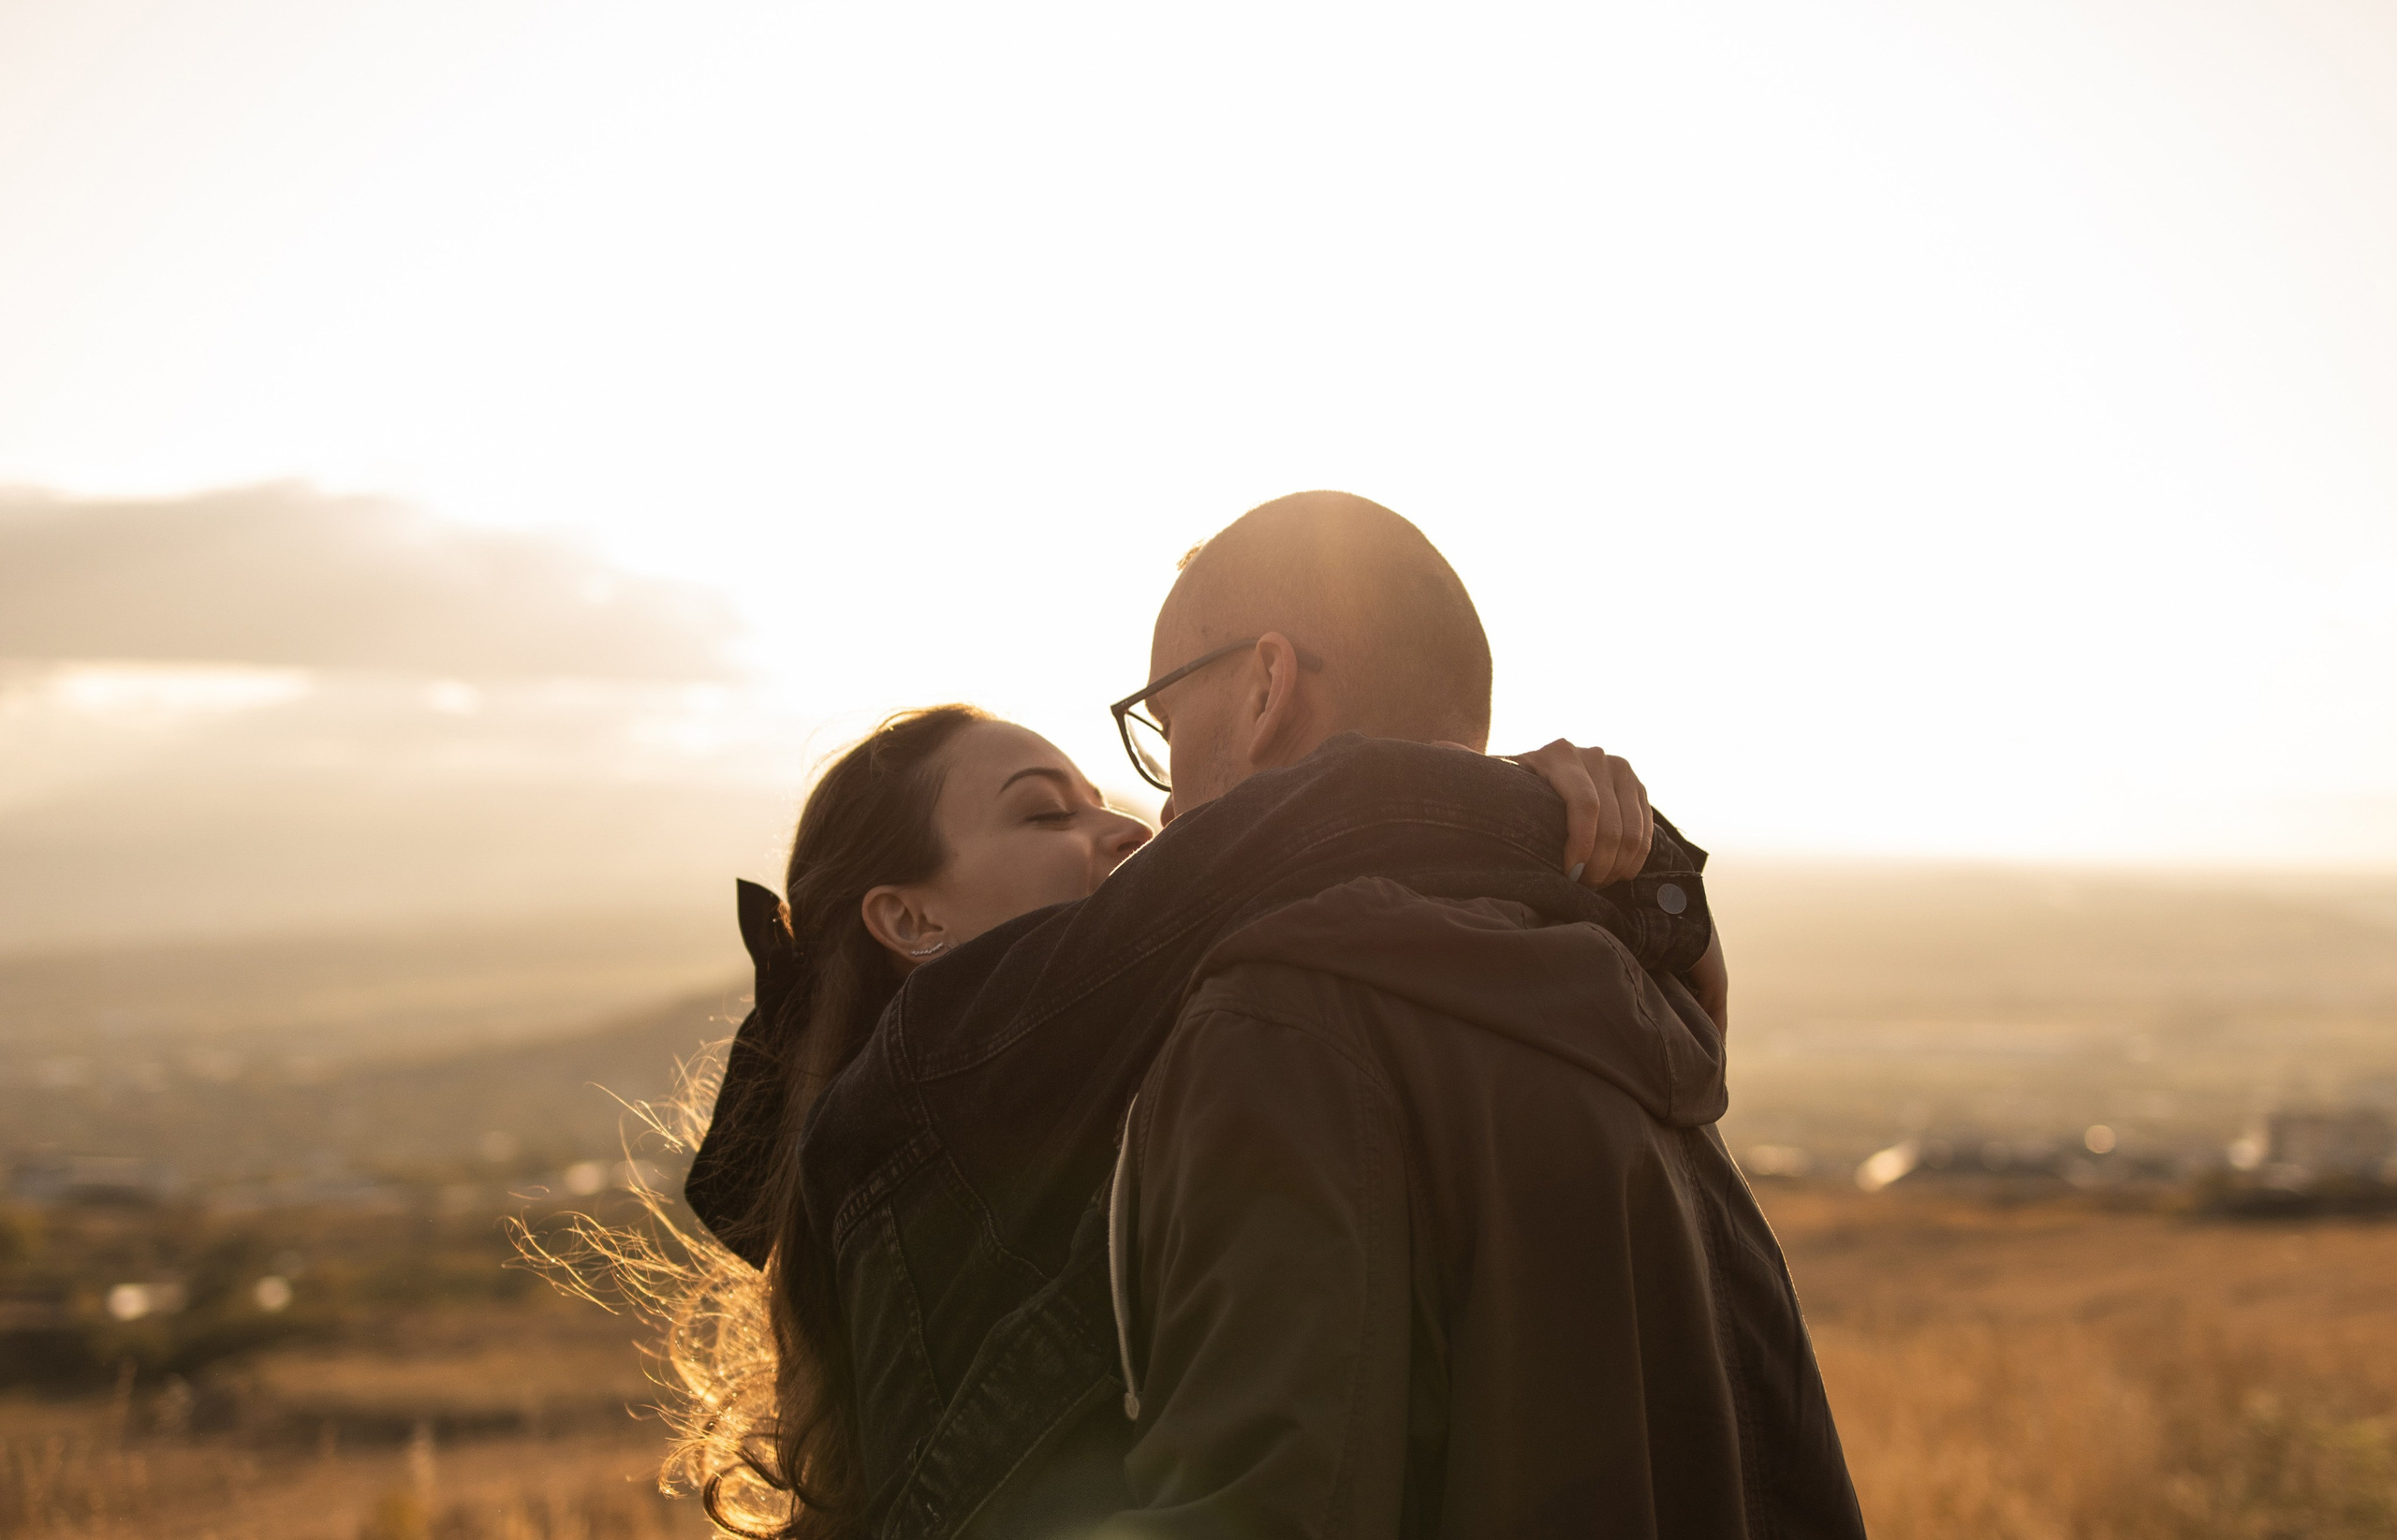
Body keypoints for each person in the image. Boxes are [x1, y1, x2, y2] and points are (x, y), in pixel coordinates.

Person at [691, 492, 1856, 1538]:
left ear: (1264, 688)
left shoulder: (1280, 1029)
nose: (1146, 818)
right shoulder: (1634, 1027)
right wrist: (1575, 843)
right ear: (902, 918)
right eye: (1047, 813)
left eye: (1161, 725)